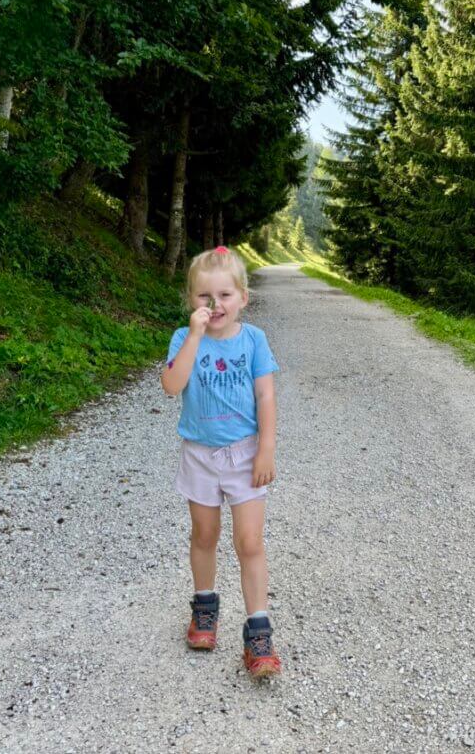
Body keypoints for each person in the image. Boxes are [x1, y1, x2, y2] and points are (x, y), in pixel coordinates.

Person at [160, 245, 282, 679]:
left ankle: (258, 630)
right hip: (199, 455)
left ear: (243, 298)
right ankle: (205, 606)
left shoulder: (254, 341)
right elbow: (172, 386)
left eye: (225, 295)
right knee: (204, 534)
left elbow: (265, 395)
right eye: (203, 297)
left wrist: (266, 448)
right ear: (190, 300)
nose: (215, 305)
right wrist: (193, 335)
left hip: (245, 454)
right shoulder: (183, 338)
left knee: (249, 541)